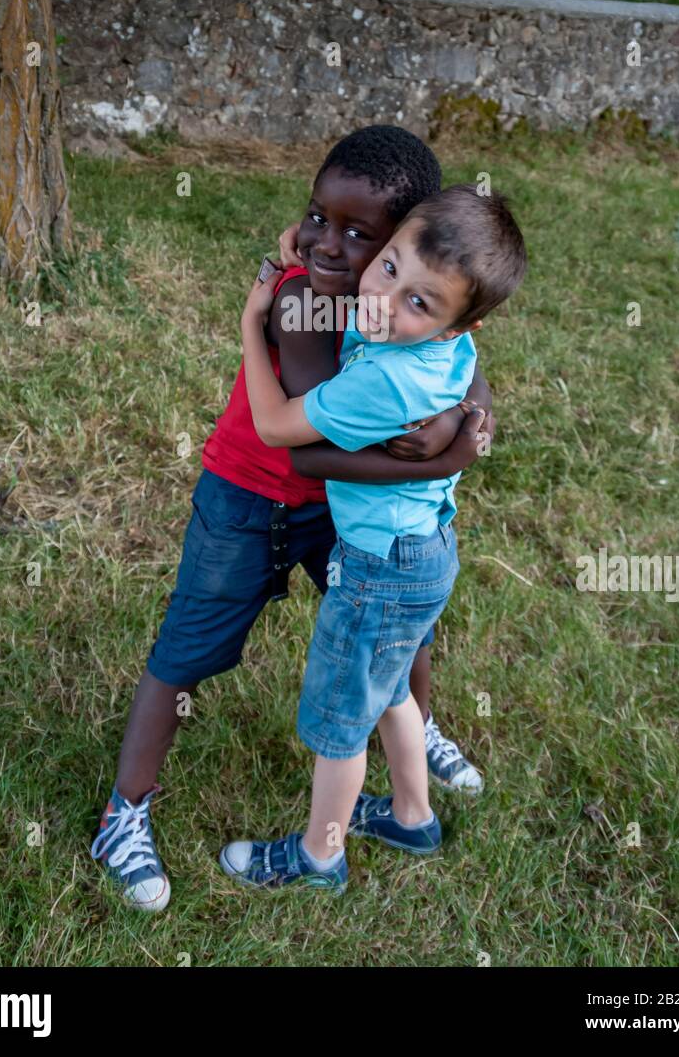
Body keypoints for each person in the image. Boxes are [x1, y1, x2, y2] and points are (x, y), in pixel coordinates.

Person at [91, 128, 494, 910]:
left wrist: (470, 414)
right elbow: (304, 444)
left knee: (398, 634)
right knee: (188, 649)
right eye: (317, 216)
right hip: (250, 496)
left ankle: (418, 733)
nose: (325, 241)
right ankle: (124, 812)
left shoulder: (415, 300)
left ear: (412, 245)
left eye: (357, 233)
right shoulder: (303, 298)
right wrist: (445, 455)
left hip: (355, 514)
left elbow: (467, 358)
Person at [219, 183, 526, 892]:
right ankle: (412, 814)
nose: (385, 301)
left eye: (418, 301)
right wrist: (307, 244)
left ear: (455, 328)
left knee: (339, 719)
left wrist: (250, 323)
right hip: (423, 552)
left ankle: (319, 855)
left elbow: (276, 428)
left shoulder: (382, 385)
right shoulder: (443, 345)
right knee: (387, 686)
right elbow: (392, 293)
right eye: (387, 266)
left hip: (379, 564)